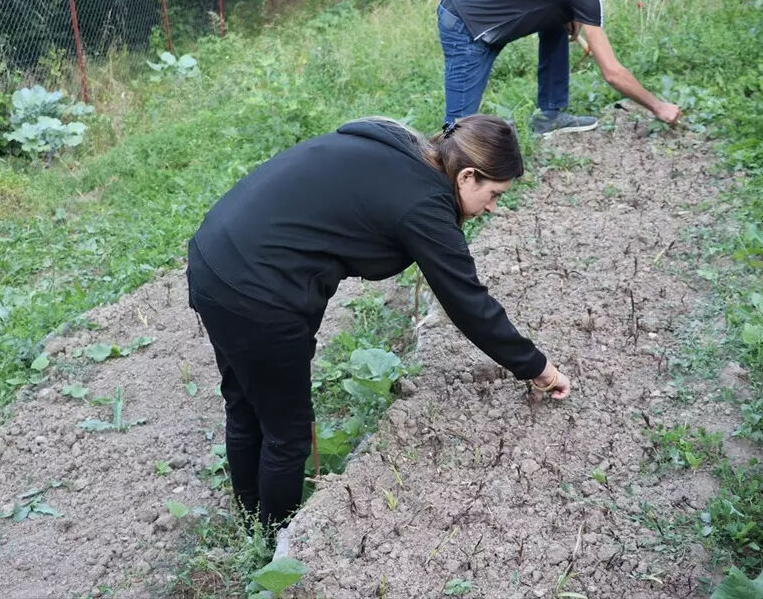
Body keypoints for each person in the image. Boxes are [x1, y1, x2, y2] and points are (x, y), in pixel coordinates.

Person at [186, 115, 570, 535]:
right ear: (467, 176)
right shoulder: (424, 204)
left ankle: (252, 528)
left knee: (244, 405)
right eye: (493, 194)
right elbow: (469, 304)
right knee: (287, 433)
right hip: (256, 289)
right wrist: (538, 368)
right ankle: (275, 549)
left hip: (214, 255)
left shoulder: (402, 146)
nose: (493, 207)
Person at [438, 0, 682, 134]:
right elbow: (612, 73)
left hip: (473, 14)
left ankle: (550, 115)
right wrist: (657, 106)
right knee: (459, 132)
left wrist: (567, 15)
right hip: (465, 25)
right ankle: (445, 177)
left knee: (556, 22)